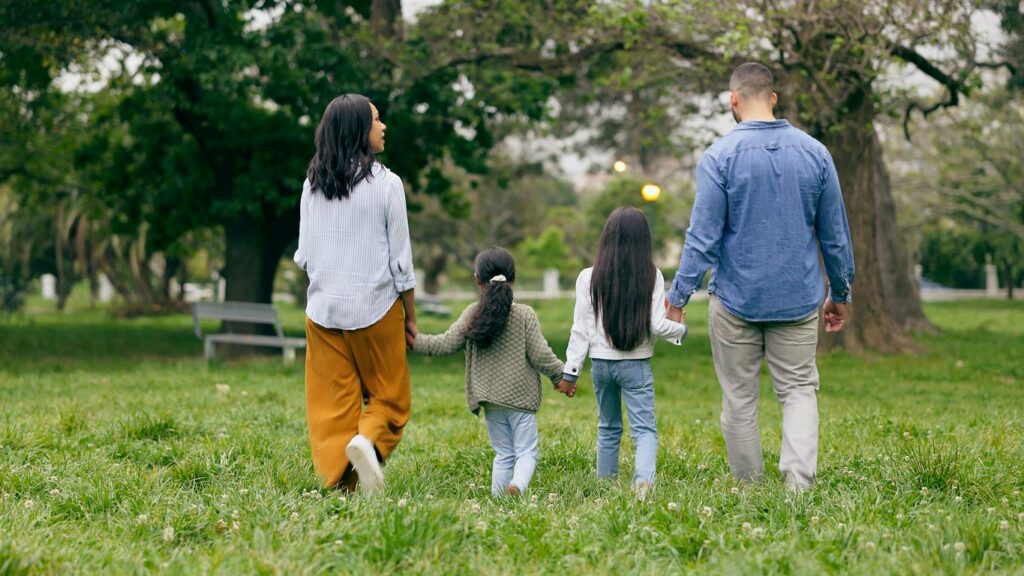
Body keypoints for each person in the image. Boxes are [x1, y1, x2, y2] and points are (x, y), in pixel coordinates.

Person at [665, 62, 855, 491]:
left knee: (740, 398)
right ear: (772, 97)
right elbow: (836, 236)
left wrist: (678, 296)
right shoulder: (816, 153)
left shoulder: (718, 157)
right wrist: (839, 292)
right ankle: (798, 486)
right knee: (799, 390)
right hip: (799, 296)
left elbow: (702, 238)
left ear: (734, 100)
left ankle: (750, 489)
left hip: (735, 300)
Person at [294, 94, 417, 494]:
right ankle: (367, 443)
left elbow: (304, 255)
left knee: (332, 405)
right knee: (390, 398)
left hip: (323, 310)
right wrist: (410, 316)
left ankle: (339, 481)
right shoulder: (387, 185)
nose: (384, 127)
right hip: (375, 306)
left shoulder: (312, 185)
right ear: (359, 131)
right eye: (377, 120)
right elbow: (401, 262)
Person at [557, 207, 688, 501]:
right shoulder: (651, 275)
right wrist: (680, 329)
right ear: (644, 240)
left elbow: (580, 329)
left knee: (608, 427)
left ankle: (605, 487)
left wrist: (571, 371)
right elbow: (657, 324)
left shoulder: (587, 277)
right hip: (636, 365)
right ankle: (643, 484)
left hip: (602, 365)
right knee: (644, 431)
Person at [413, 247, 564, 497]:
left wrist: (414, 340)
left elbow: (445, 343)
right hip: (521, 400)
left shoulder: (473, 313)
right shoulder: (524, 314)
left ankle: (498, 500)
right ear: (513, 278)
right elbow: (541, 355)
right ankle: (517, 486)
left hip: (491, 400)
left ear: (477, 280)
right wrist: (561, 376)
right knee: (526, 452)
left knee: (503, 454)